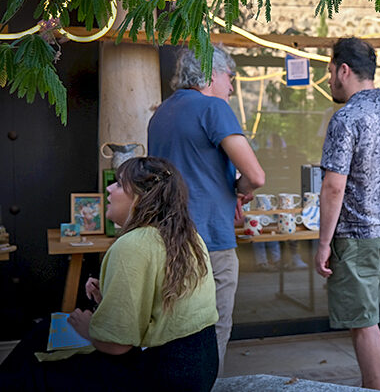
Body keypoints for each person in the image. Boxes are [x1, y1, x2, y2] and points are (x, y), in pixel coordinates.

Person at [0, 157, 219, 391]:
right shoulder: (188, 237)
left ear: (139, 196)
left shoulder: (133, 244)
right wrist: (109, 296)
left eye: (118, 183)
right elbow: (159, 308)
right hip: (199, 369)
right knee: (43, 333)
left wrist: (87, 329)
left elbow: (116, 346)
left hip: (161, 376)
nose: (109, 188)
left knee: (35, 366)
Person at [148, 46, 265, 376]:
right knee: (213, 333)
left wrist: (228, 189)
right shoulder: (213, 108)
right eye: (230, 77)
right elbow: (256, 175)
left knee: (172, 334)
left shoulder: (160, 114)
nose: (231, 86)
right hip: (210, 242)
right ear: (212, 74)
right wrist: (242, 189)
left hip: (166, 242)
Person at [314, 37, 380, 390]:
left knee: (364, 322)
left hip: (356, 236)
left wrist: (323, 243)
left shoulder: (347, 117)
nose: (329, 80)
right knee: (365, 319)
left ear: (344, 70)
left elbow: (333, 187)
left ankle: (374, 388)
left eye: (330, 71)